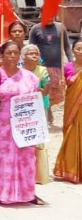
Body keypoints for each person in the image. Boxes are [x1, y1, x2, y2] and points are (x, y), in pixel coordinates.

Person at [0, 41, 45, 205]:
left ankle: (28, 193)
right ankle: (4, 193)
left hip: (26, 123)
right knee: (5, 158)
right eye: (8, 53)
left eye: (15, 53)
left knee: (27, 157)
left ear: (20, 55)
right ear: (2, 55)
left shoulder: (30, 77)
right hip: (5, 123)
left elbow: (36, 101)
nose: (12, 56)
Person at [28, 18, 72, 123]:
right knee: (43, 92)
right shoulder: (35, 29)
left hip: (57, 66)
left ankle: (48, 108)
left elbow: (67, 46)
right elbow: (31, 48)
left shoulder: (60, 27)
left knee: (58, 95)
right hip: (41, 67)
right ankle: (45, 112)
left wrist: (71, 62)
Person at [20, 44, 51, 185]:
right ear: (24, 56)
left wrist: (35, 91)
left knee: (38, 138)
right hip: (23, 108)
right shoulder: (19, 71)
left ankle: (39, 174)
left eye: (36, 54)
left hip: (39, 107)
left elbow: (46, 90)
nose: (34, 56)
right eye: (31, 53)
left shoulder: (43, 71)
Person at [53, 39, 82, 184]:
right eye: (78, 48)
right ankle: (71, 169)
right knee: (71, 134)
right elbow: (62, 87)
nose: (81, 52)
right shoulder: (67, 67)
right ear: (73, 50)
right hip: (71, 106)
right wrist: (62, 83)